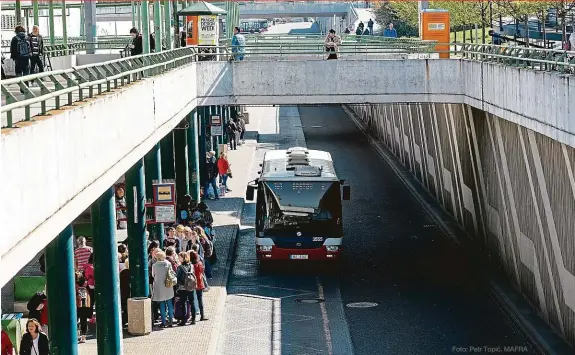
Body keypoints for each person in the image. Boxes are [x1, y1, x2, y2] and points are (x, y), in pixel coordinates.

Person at [151, 250, 175, 328]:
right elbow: (172, 273)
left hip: (159, 286)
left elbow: (153, 275)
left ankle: (163, 322)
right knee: (169, 303)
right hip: (168, 285)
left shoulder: (154, 265)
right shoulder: (168, 264)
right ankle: (171, 320)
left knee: (161, 304)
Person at [175, 251, 196, 325]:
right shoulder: (191, 266)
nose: (178, 258)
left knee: (183, 303)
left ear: (183, 258)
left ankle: (184, 320)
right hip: (191, 287)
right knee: (192, 302)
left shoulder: (180, 267)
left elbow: (177, 277)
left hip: (182, 288)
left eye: (179, 257)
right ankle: (193, 319)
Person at [190, 250, 208, 321]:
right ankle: (202, 315)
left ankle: (193, 317)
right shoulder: (199, 264)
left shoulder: (190, 265)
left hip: (192, 284)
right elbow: (202, 272)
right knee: (200, 300)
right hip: (199, 284)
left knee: (192, 301)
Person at [75, 271, 92, 343]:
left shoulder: (74, 286)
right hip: (85, 305)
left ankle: (75, 336)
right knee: (83, 320)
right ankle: (84, 337)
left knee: (74, 320)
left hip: (76, 305)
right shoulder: (86, 285)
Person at [119, 258, 131, 326]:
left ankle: (124, 321)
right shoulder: (132, 272)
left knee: (124, 308)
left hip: (123, 292)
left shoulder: (122, 272)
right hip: (129, 292)